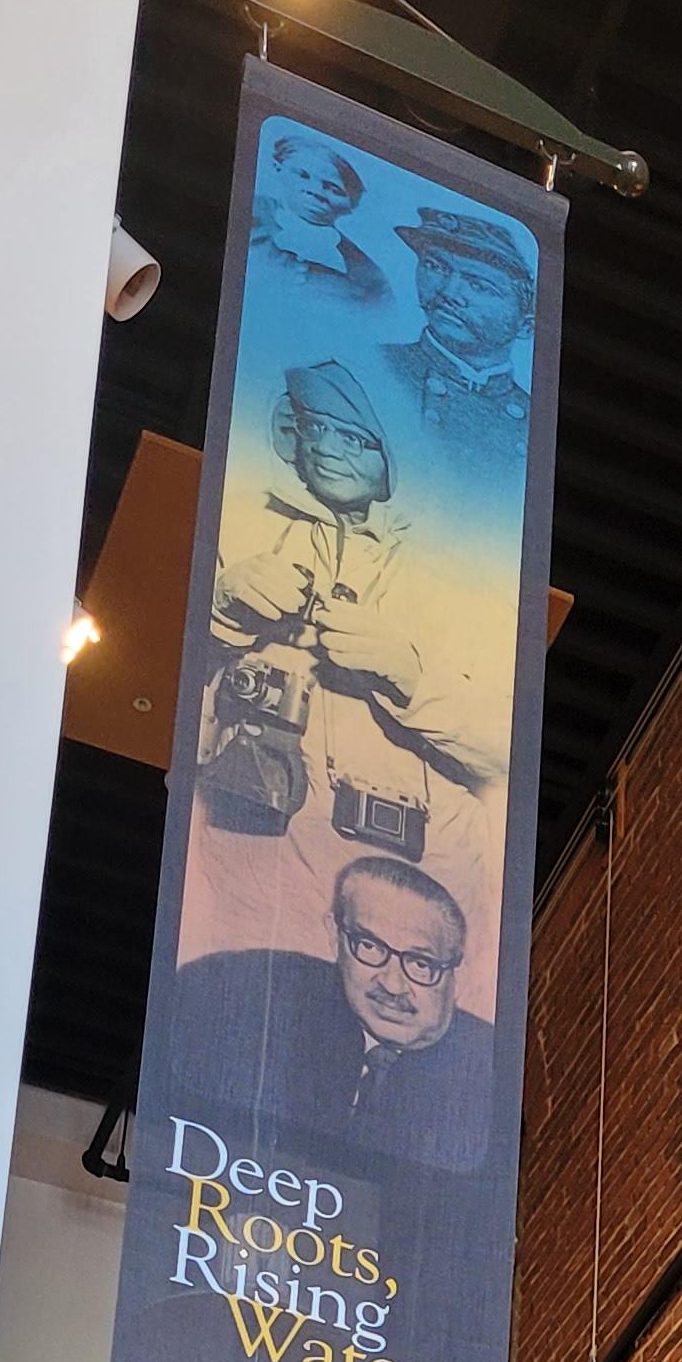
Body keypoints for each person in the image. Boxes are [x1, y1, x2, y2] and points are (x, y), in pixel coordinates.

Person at [197, 361, 499, 940]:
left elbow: (504, 753)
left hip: (422, 889)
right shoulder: (238, 524)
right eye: (315, 427)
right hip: (261, 867)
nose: (328, 450)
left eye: (356, 438)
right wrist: (223, 615)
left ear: (397, 451)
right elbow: (171, 715)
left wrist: (409, 677)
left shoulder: (466, 571)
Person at [169, 854, 498, 1170]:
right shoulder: (251, 1000)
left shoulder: (492, 1079)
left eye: (421, 964)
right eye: (369, 946)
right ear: (334, 936)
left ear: (460, 977)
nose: (393, 984)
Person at [381, 209, 536, 475]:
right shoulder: (373, 366)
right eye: (435, 266)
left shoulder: (535, 423)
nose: (449, 293)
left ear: (525, 325)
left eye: (480, 286)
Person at [247, 125, 385, 300]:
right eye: (302, 175)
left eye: (334, 188)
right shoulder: (248, 213)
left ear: (352, 203)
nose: (315, 191)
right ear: (278, 169)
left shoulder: (366, 272)